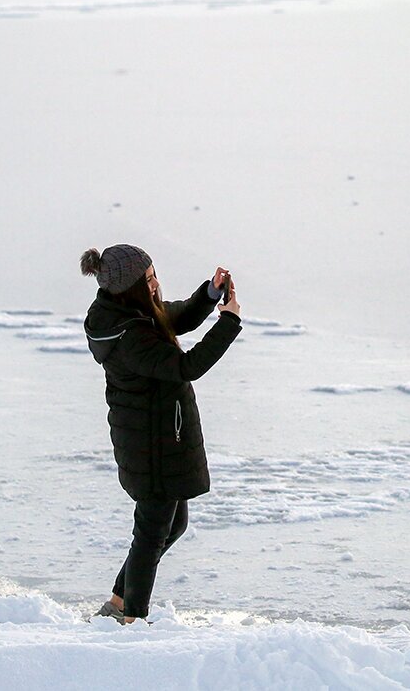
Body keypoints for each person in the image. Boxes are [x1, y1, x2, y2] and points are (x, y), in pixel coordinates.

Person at [79, 243, 241, 624]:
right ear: (131, 287)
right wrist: (228, 323)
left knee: (173, 525)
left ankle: (119, 603)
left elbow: (172, 316)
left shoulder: (125, 312)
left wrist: (209, 294)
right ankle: (132, 620)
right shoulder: (130, 338)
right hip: (151, 447)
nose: (155, 284)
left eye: (154, 275)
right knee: (151, 534)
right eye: (148, 279)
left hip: (159, 438)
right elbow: (187, 366)